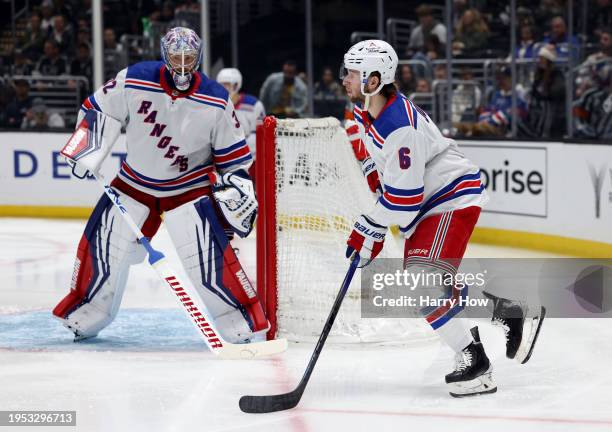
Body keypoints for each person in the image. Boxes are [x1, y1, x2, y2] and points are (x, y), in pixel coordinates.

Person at [341, 40, 544, 397]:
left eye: (353, 73)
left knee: (422, 285)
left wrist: (368, 226)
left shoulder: (397, 123)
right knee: (426, 287)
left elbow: (404, 201)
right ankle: (509, 313)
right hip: (430, 204)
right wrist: (375, 198)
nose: (345, 78)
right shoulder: (368, 110)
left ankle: (475, 361)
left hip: (447, 198)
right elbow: (382, 168)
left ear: (374, 79)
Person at [52, 27, 269, 345]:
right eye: (177, 57)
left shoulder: (216, 100)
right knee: (103, 248)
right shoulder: (135, 77)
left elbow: (233, 158)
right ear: (165, 56)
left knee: (209, 259)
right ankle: (87, 311)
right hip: (133, 183)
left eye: (189, 57)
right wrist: (88, 146)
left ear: (200, 57)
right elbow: (99, 108)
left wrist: (237, 188)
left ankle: (239, 318)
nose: (183, 64)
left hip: (188, 189)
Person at [216, 67, 265, 158]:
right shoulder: (215, 106)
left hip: (250, 158)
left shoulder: (254, 105)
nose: (223, 89)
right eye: (220, 85)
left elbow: (259, 135)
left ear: (236, 85)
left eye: (226, 85)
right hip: (224, 157)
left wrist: (238, 150)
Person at [524, 45, 566, 139]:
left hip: (553, 113)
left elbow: (554, 94)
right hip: (538, 111)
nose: (539, 60)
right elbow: (534, 92)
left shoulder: (557, 75)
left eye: (542, 58)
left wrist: (543, 93)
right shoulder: (539, 74)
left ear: (548, 60)